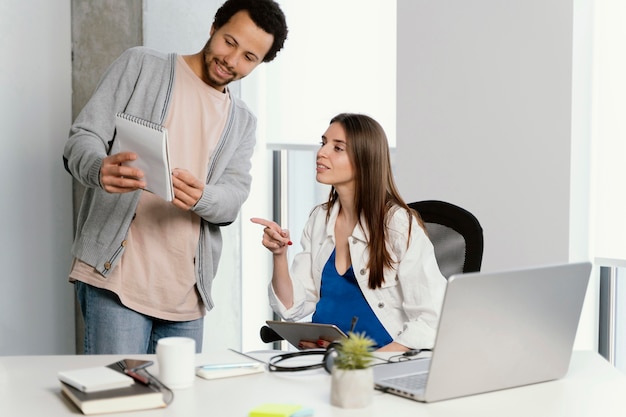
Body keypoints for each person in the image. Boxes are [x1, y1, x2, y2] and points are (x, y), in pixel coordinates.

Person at [63, 0, 288, 354]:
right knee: (118, 402)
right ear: (214, 26)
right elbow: (83, 137)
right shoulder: (142, 65)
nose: (232, 60)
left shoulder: (242, 121)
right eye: (230, 42)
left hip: (186, 297)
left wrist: (203, 198)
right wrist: (97, 168)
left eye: (249, 57)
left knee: (179, 405)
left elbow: (232, 199)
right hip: (116, 279)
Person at [251, 113, 447, 352]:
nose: (322, 153)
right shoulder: (319, 219)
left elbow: (432, 321)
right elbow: (292, 307)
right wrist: (279, 255)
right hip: (323, 357)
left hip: (378, 364)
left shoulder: (397, 224)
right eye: (323, 143)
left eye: (338, 148)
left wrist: (362, 363)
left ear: (364, 159)